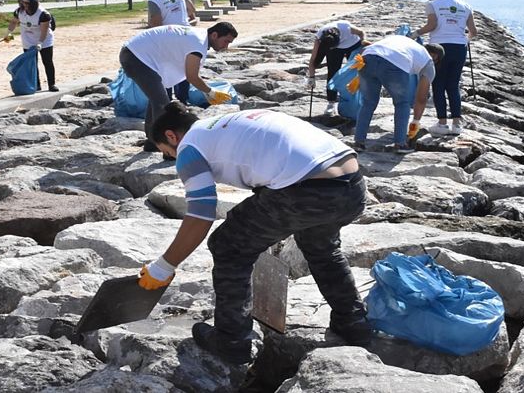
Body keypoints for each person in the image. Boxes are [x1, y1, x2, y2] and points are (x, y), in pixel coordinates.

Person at [138, 103, 370, 364]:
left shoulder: (189, 148)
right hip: (353, 185)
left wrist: (164, 266)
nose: (172, 157)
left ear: (172, 136)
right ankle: (354, 322)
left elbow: (201, 214)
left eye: (167, 152)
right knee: (320, 246)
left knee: (228, 245)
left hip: (307, 191)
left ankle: (231, 340)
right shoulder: (227, 123)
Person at [119, 22, 238, 152]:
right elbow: (191, 76)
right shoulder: (198, 43)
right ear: (214, 35)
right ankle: (165, 147)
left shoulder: (198, 37)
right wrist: (210, 92)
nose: (226, 46)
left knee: (157, 99)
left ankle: (153, 142)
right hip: (136, 57)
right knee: (161, 102)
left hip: (135, 54)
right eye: (226, 41)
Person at [353, 35, 444, 153]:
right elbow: (421, 98)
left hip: (367, 57)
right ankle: (400, 144)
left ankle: (358, 142)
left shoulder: (409, 44)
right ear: (436, 58)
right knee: (402, 103)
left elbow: (369, 50)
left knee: (368, 103)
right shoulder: (429, 63)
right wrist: (415, 122)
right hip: (395, 62)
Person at [409, 0, 477, 136]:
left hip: (438, 49)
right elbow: (473, 31)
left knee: (438, 85)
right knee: (453, 85)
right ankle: (457, 124)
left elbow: (431, 26)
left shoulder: (433, 4)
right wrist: (466, 39)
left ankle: (442, 123)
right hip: (459, 48)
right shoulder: (466, 6)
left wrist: (415, 34)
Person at [138, 0, 198, 104]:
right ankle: (183, 99)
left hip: (168, 37)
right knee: (183, 67)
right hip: (186, 35)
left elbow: (156, 23)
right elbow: (192, 9)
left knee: (165, 68)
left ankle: (167, 99)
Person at [307, 20, 366, 116]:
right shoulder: (320, 38)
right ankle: (331, 103)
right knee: (332, 72)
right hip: (334, 48)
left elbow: (361, 32)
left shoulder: (346, 28)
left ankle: (359, 102)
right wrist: (311, 77)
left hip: (352, 44)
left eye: (331, 48)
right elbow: (313, 60)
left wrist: (363, 41)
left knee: (356, 71)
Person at [6, 0, 58, 92]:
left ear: (34, 3)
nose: (25, 5)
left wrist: (40, 43)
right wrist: (8, 34)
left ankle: (51, 84)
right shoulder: (19, 12)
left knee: (47, 62)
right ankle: (36, 85)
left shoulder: (43, 14)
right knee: (32, 63)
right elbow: (13, 23)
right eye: (23, 2)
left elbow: (44, 31)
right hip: (28, 40)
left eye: (27, 3)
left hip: (45, 40)